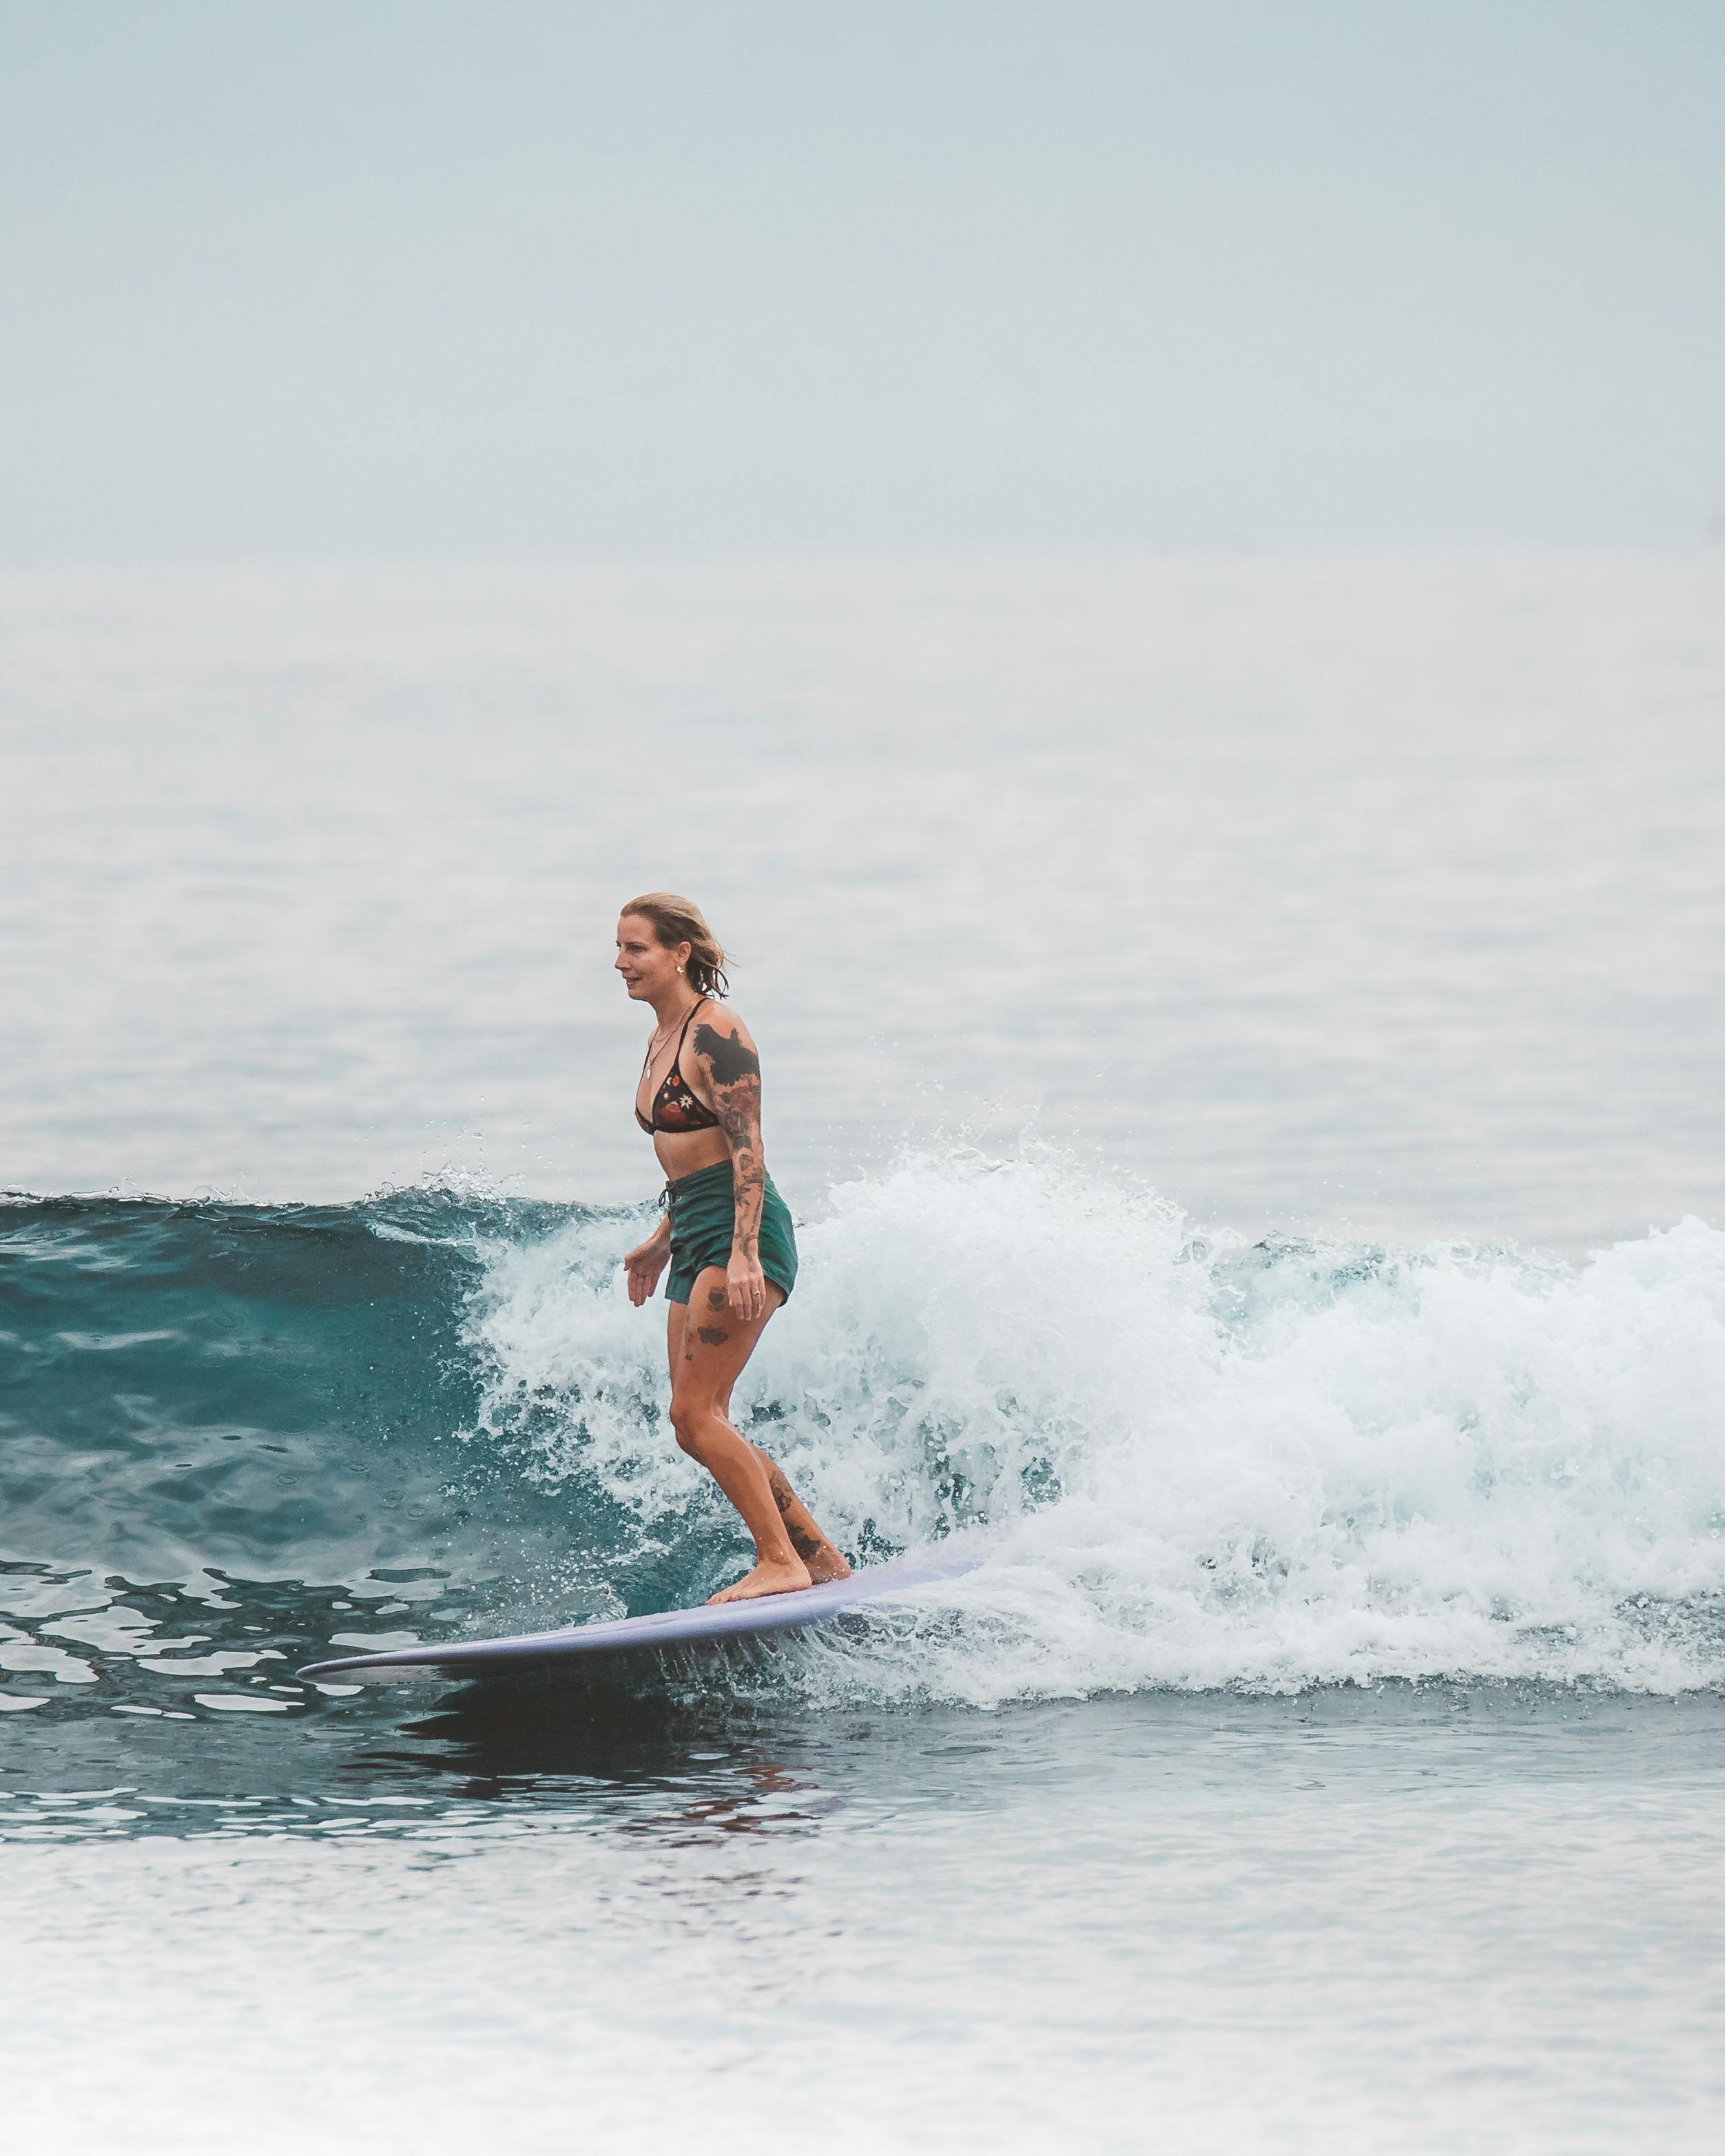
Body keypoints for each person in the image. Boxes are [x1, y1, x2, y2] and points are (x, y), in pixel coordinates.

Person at [617, 893, 851, 1603]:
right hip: (694, 1228)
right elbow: (691, 1159)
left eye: (636, 948)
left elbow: (747, 1150)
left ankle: (779, 1561)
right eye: (619, 948)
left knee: (695, 1415)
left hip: (739, 1230)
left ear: (679, 953)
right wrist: (662, 1239)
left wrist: (744, 1253)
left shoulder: (715, 1031)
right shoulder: (661, 1037)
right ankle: (818, 1557)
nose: (621, 962)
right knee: (697, 1423)